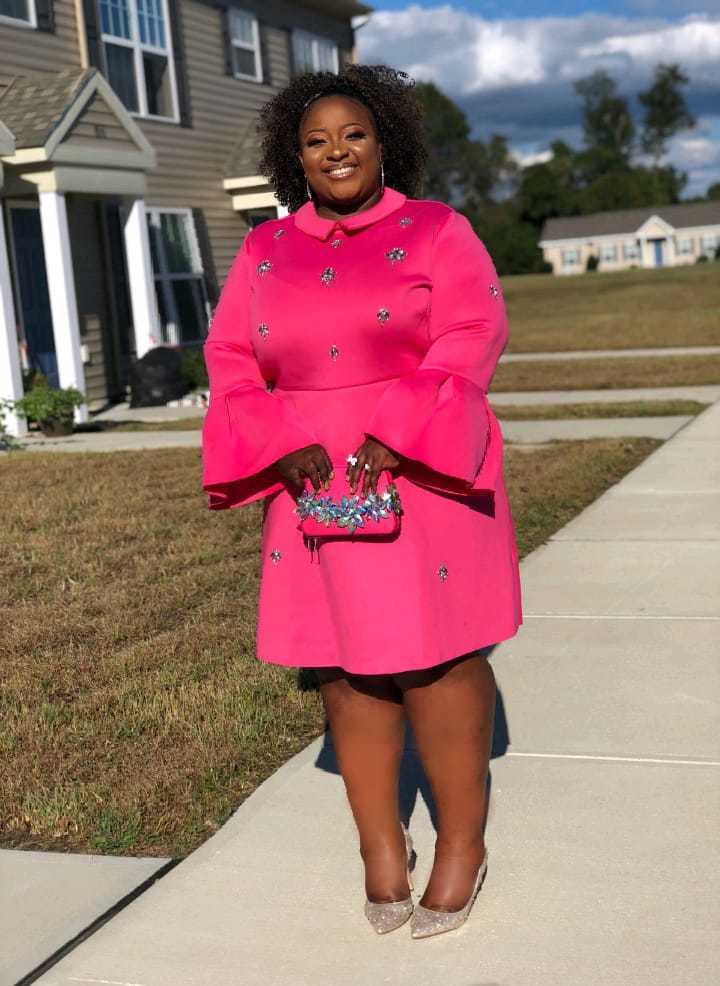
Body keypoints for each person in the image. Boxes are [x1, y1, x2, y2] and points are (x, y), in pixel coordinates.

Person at [201, 64, 522, 939]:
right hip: (311, 475)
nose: (335, 151)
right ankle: (381, 850)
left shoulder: (435, 231)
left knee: (435, 658)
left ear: (385, 141)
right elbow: (231, 357)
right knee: (342, 665)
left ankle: (462, 846)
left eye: (353, 134)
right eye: (315, 140)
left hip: (425, 471)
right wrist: (277, 440)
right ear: (293, 157)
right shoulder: (267, 251)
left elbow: (474, 328)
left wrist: (405, 423)